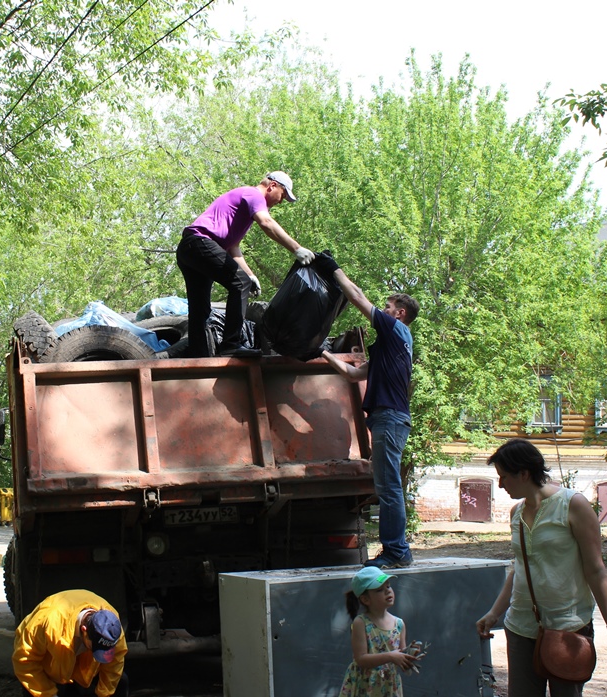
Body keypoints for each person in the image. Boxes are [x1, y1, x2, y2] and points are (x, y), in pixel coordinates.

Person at [475, 438, 607, 697]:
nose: (500, 484)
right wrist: (495, 613)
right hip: (521, 627)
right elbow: (520, 568)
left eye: (504, 477)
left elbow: (596, 570)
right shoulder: (516, 512)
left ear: (524, 473)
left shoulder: (573, 505)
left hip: (568, 625)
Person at [319, 255, 419, 568]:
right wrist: (321, 353)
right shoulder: (390, 349)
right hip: (386, 419)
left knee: (389, 488)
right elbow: (352, 375)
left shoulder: (396, 332)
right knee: (385, 487)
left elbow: (357, 296)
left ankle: (397, 552)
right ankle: (396, 550)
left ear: (398, 314)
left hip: (390, 418)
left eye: (387, 307)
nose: (383, 310)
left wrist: (333, 267)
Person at [176, 171, 315, 358]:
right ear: (272, 186)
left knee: (200, 308)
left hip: (190, 248)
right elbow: (266, 222)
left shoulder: (244, 206)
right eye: (283, 195)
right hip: (201, 243)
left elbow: (233, 247)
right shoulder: (254, 194)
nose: (281, 201)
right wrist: (297, 249)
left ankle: (198, 356)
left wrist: (250, 275)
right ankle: (231, 345)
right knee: (239, 284)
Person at [12, 589, 129, 697]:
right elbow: (25, 660)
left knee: (121, 682)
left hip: (79, 669)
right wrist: (48, 694)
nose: (94, 652)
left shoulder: (111, 625)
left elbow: (115, 662)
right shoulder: (48, 622)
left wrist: (103, 694)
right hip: (48, 667)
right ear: (84, 630)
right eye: (93, 647)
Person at [338, 566, 422, 697]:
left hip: (389, 685)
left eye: (388, 587)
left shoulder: (399, 624)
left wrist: (410, 654)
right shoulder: (361, 623)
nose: (388, 592)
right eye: (380, 590)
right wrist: (390, 656)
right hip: (366, 686)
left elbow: (401, 656)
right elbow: (361, 659)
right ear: (365, 599)